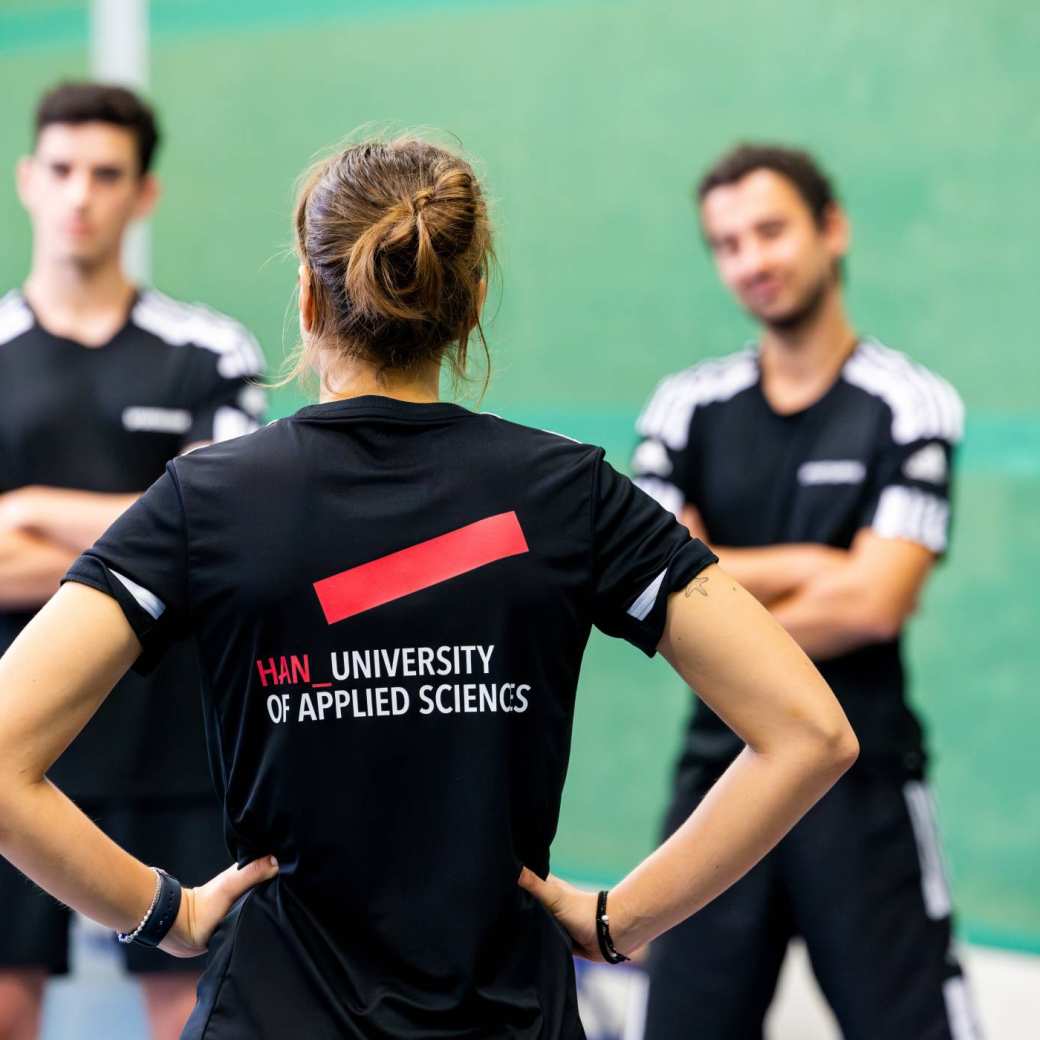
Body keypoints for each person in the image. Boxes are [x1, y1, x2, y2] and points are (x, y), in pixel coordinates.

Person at [0, 134, 858, 1040]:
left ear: (305, 294)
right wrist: (623, 920)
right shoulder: (567, 494)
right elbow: (810, 733)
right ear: (473, 299)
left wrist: (160, 912)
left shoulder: (207, 501)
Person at [629, 143, 980, 1040]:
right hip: (719, 784)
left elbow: (873, 604)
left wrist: (714, 582)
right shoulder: (684, 409)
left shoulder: (909, 401)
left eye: (772, 230)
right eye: (728, 242)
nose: (753, 260)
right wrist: (818, 565)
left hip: (863, 785)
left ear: (833, 230)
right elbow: (648, 591)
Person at [0, 82, 265, 1040]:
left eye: (106, 175)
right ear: (29, 180)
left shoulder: (209, 353)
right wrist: (155, 524)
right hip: (16, 733)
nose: (81, 195)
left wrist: (28, 512)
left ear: (142, 194)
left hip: (172, 744)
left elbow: (215, 539)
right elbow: (176, 535)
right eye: (62, 171)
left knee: (189, 1013)